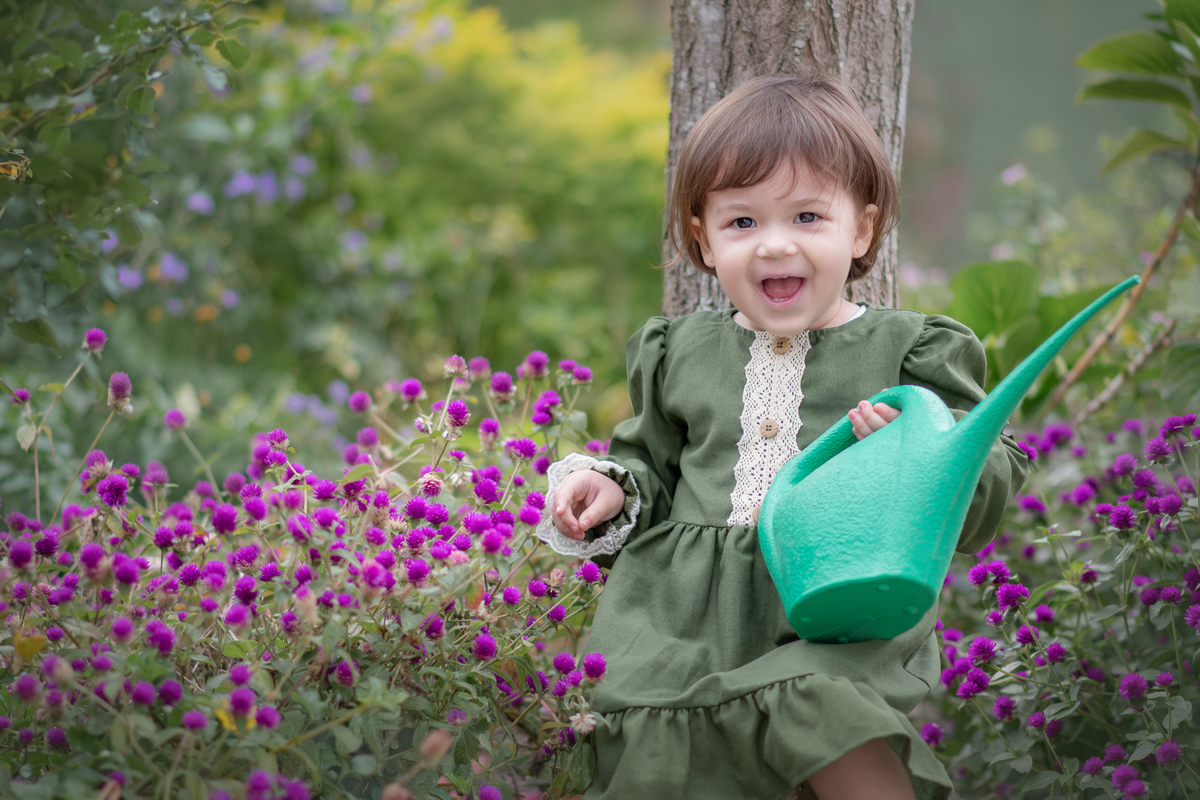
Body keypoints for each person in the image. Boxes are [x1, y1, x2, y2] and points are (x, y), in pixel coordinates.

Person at [535, 74, 1028, 800]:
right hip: (682, 612)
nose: (774, 246)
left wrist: (907, 454)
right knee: (654, 738)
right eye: (741, 223)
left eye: (806, 217)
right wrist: (610, 486)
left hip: (829, 606)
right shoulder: (680, 350)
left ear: (859, 230)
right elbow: (651, 464)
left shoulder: (910, 351)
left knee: (821, 708)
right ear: (702, 239)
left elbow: (980, 465)